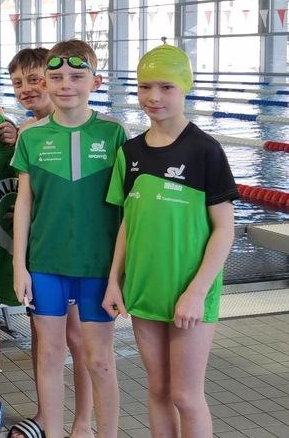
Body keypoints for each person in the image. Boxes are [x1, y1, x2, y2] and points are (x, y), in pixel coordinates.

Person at [104, 45, 237, 437]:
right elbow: (127, 222)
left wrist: (197, 291)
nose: (154, 97)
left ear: (185, 89)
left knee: (186, 395)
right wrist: (115, 280)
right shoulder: (130, 153)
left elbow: (224, 230)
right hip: (145, 289)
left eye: (166, 87)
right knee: (159, 389)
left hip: (190, 290)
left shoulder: (205, 151)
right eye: (145, 87)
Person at [11, 40, 126, 438]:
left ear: (95, 81)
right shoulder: (31, 137)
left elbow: (127, 211)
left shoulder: (114, 135)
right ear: (46, 81)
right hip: (45, 264)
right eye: (57, 77)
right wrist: (19, 267)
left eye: (77, 77)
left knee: (100, 360)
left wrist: (119, 275)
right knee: (47, 354)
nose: (66, 85)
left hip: (97, 266)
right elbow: (23, 206)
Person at [7, 48, 94, 438]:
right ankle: (48, 418)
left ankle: (82, 422)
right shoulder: (28, 133)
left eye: (34, 80)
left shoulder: (95, 130)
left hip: (83, 259)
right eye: (19, 83)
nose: (28, 89)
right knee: (47, 343)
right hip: (44, 258)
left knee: (77, 340)